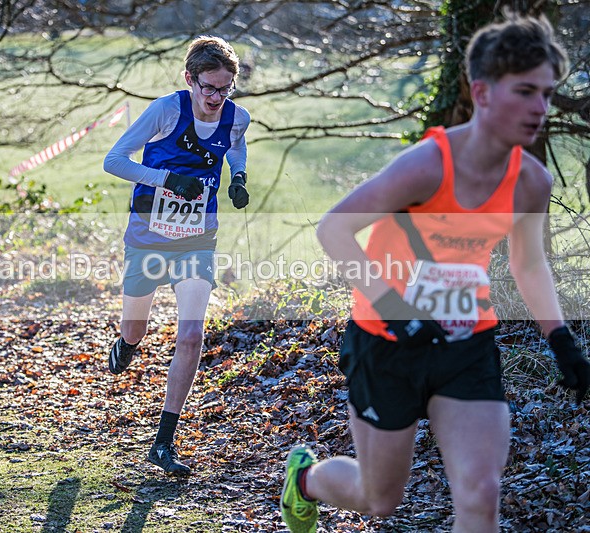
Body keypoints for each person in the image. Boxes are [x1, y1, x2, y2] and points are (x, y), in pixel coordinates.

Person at [280, 12, 589, 533]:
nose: (540, 108)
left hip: (465, 344)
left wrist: (560, 338)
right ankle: (305, 480)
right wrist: (395, 310)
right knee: (379, 499)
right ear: (482, 92)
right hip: (386, 344)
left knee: (481, 491)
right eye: (525, 91)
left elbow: (528, 261)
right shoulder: (427, 166)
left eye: (546, 93)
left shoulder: (530, 182)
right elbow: (334, 229)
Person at [103, 36, 250, 475]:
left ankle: (163, 442)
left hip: (196, 239)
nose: (216, 98)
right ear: (190, 79)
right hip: (148, 236)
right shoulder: (166, 111)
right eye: (208, 88)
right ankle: (127, 343)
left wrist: (238, 177)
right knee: (136, 328)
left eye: (225, 88)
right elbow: (114, 160)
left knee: (190, 336)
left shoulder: (237, 117)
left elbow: (236, 145)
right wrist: (165, 179)